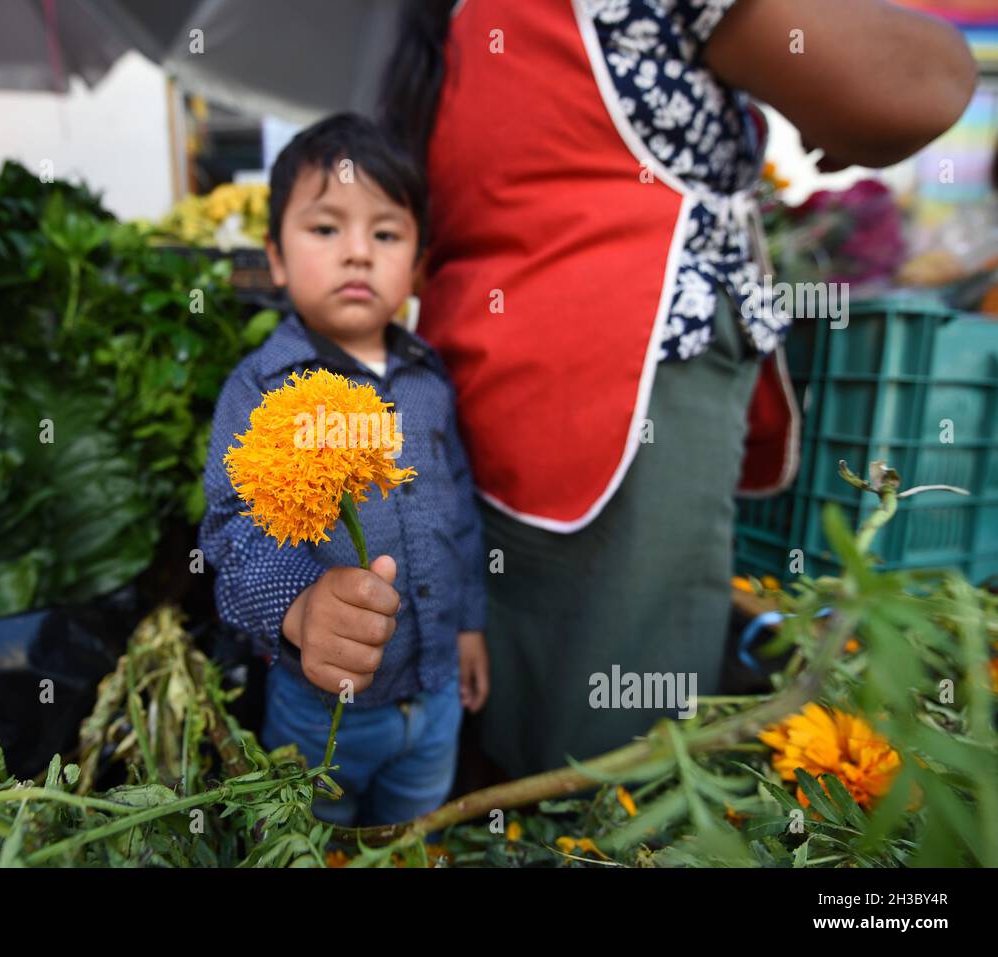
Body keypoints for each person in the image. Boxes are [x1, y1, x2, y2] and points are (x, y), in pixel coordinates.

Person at [377, 0, 977, 778]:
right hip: (619, 397)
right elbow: (927, 84)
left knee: (534, 733)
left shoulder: (462, 21)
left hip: (504, 399)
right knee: (624, 764)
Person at [198, 112, 490, 827]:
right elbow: (230, 531)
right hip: (319, 709)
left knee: (413, 834)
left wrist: (470, 625)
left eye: (385, 233)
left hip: (436, 693)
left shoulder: (430, 380)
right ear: (274, 256)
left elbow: (461, 510)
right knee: (313, 836)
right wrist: (297, 603)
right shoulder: (259, 389)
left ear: (419, 264)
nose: (358, 253)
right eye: (326, 229)